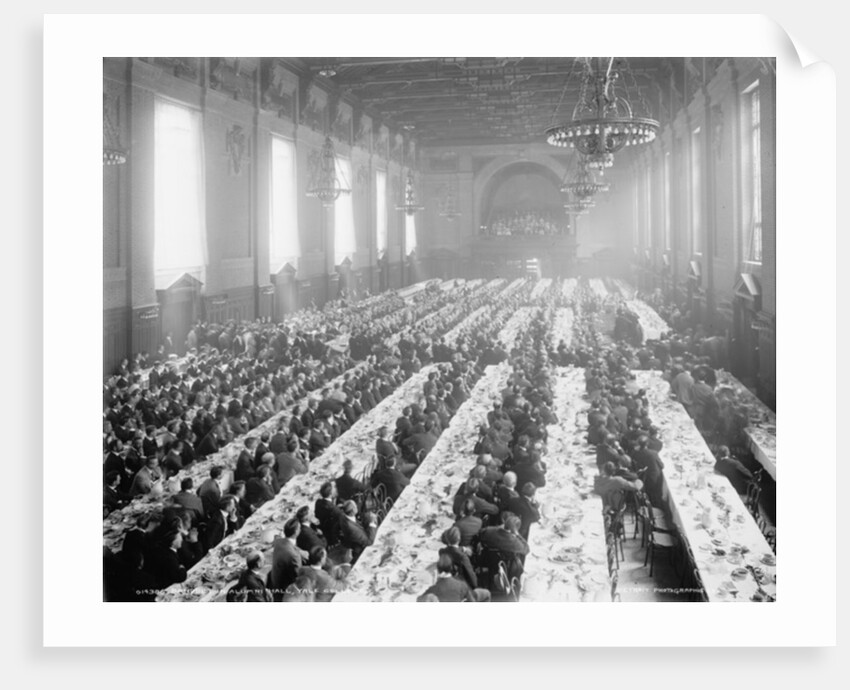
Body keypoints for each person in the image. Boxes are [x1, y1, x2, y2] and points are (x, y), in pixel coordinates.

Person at [268, 519, 303, 601]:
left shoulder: (278, 541)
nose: (301, 530)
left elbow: (289, 545)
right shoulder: (294, 556)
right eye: (299, 528)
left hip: (275, 580)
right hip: (285, 588)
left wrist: (300, 551)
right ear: (296, 532)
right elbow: (298, 576)